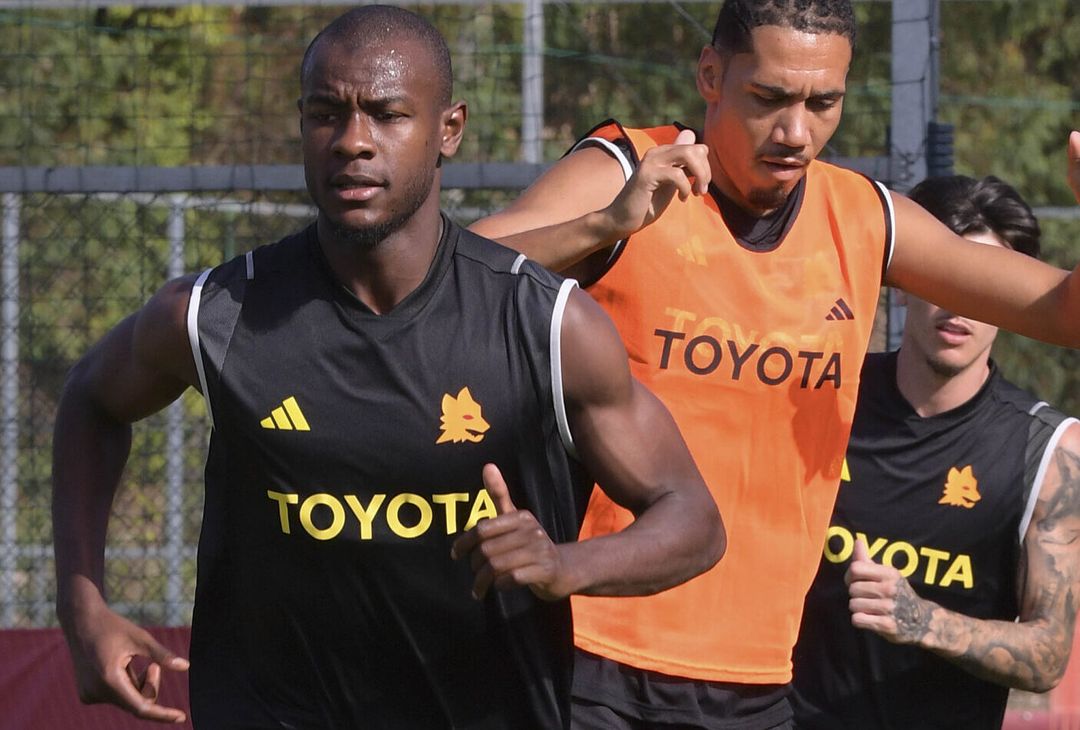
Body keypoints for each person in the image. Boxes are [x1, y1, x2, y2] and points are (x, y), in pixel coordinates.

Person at [50, 6, 725, 729]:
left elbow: (694, 520)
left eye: (388, 114)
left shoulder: (544, 324)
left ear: (449, 130)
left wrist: (567, 565)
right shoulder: (215, 314)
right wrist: (82, 604)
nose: (352, 142)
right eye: (325, 114)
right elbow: (92, 400)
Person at [469, 0, 1080, 726]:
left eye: (824, 103)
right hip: (587, 652)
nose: (796, 131)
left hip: (757, 678)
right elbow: (444, 284)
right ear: (711, 75)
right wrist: (603, 226)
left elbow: (1061, 315)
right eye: (769, 98)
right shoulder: (630, 168)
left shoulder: (861, 217)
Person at [790, 175, 1080, 729]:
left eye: (984, 287)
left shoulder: (1049, 453)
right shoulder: (821, 399)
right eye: (949, 280)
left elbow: (1049, 654)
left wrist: (922, 620)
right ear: (902, 283)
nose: (961, 307)